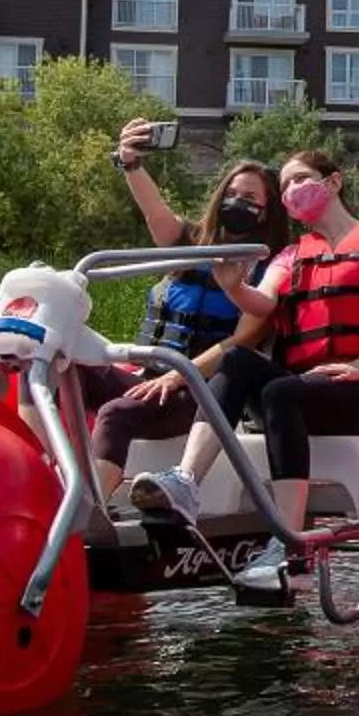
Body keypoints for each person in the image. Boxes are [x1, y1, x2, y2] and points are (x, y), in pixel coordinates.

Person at [128, 148, 359, 592]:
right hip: (303, 390)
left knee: (280, 393)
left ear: (333, 182)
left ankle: (290, 547)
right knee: (236, 360)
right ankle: (186, 483)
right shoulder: (292, 255)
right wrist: (234, 288)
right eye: (285, 185)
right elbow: (263, 303)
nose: (291, 190)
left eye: (300, 178)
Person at [73, 121, 287, 504]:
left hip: (196, 395)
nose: (238, 201)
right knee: (62, 364)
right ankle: (40, 474)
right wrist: (131, 164)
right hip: (149, 377)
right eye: (232, 193)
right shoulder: (189, 244)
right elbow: (155, 212)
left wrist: (177, 376)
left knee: (115, 413)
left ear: (266, 210)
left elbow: (242, 341)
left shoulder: (266, 269)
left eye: (250, 196)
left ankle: (87, 513)